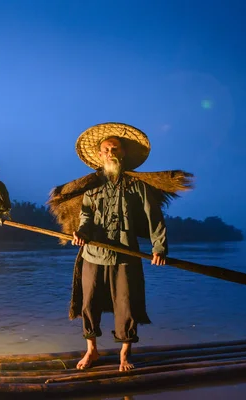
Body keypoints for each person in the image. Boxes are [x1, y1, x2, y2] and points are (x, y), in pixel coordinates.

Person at [70, 124, 168, 372]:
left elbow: (154, 218)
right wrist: (81, 234)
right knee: (89, 303)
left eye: (115, 148)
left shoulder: (137, 187)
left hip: (125, 255)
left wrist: (159, 248)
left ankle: (124, 354)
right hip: (93, 254)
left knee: (126, 304)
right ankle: (92, 351)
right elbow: (85, 219)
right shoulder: (90, 187)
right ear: (100, 155)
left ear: (122, 153)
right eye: (106, 149)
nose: (110, 152)